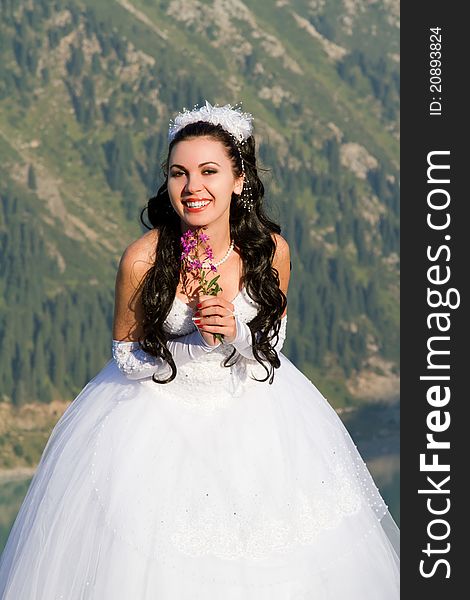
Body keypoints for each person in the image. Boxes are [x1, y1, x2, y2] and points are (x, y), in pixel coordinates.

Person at [0, 101, 399, 598]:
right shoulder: (143, 258)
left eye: (209, 171)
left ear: (239, 180)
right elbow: (126, 354)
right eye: (179, 173)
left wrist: (234, 334)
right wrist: (186, 349)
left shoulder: (271, 251)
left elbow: (272, 347)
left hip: (256, 416)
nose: (193, 188)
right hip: (154, 424)